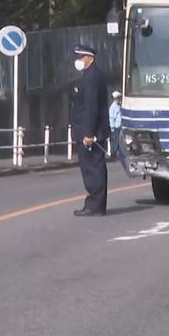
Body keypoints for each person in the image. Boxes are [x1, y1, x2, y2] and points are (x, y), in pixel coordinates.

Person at [69, 44, 109, 216]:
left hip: (91, 132)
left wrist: (89, 133)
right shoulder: (89, 75)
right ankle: (94, 204)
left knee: (93, 168)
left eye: (81, 57)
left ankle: (95, 205)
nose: (77, 60)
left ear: (90, 58)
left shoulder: (92, 77)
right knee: (90, 167)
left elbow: (91, 106)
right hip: (88, 130)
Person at [108, 90, 127, 171]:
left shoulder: (119, 106)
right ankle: (113, 154)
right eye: (118, 98)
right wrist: (112, 127)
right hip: (115, 126)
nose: (119, 100)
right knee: (114, 140)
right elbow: (112, 118)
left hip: (119, 125)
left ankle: (118, 154)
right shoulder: (112, 107)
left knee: (119, 141)